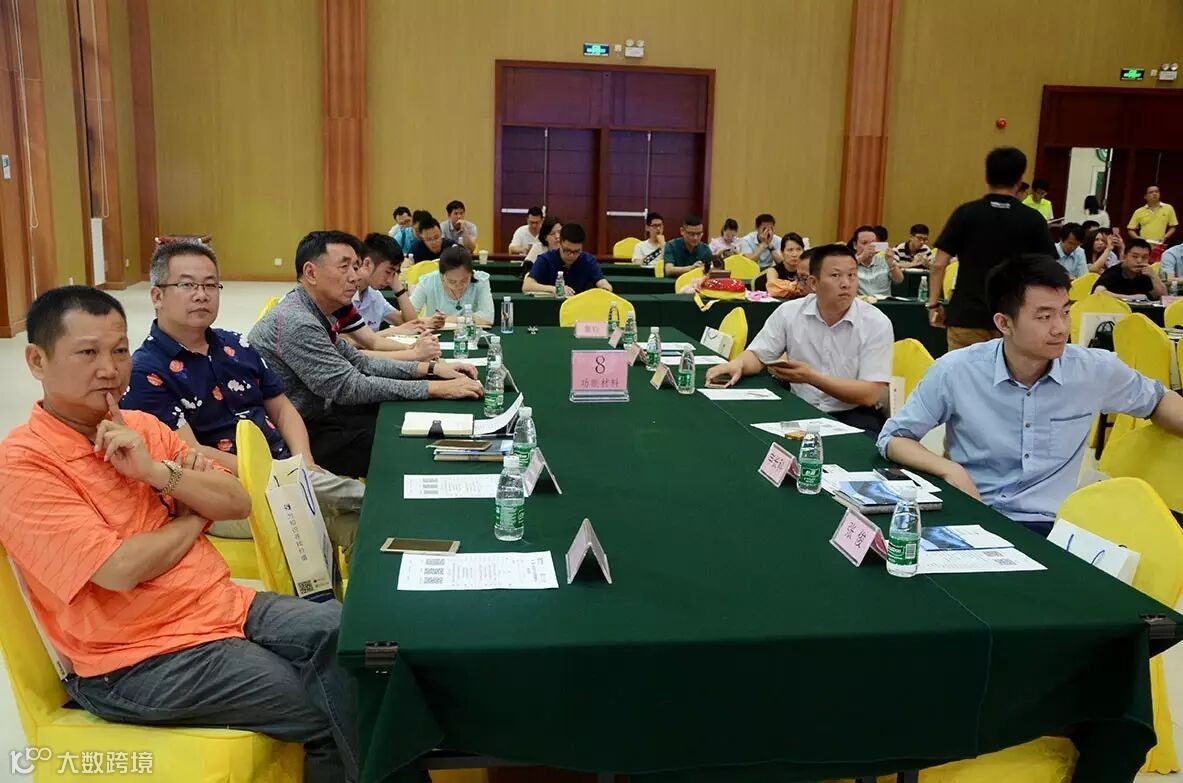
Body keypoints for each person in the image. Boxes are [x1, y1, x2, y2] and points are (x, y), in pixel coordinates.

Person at [0, 286, 358, 782]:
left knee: (354, 639)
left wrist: (155, 473)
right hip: (135, 658)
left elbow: (237, 500)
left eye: (119, 350)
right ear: (37, 361)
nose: (109, 369)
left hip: (220, 607)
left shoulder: (142, 428)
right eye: (87, 353)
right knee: (330, 701)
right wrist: (192, 517)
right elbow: (119, 569)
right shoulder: (24, 466)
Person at [878, 256, 1183, 536]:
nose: (1061, 328)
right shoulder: (957, 371)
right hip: (972, 516)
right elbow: (894, 437)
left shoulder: (1094, 370)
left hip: (1050, 528)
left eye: (1065, 312)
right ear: (1004, 323)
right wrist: (949, 468)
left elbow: (1157, 400)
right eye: (1044, 317)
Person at [121, 241, 365, 555]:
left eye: (210, 285)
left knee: (362, 523)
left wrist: (304, 460)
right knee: (361, 513)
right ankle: (383, 502)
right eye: (187, 285)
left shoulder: (234, 344)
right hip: (223, 495)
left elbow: (282, 408)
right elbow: (190, 451)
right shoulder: (146, 372)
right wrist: (271, 472)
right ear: (157, 296)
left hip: (285, 472)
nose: (201, 295)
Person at [249, 231, 483, 478]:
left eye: (355, 266)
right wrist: (437, 388)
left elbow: (359, 361)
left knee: (402, 415)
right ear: (311, 273)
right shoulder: (297, 321)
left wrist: (431, 370)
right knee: (399, 445)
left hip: (322, 411)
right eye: (344, 267)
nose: (355, 276)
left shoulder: (318, 310)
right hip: (298, 435)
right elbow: (351, 387)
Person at [705, 244, 894, 435]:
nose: (846, 283)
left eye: (852, 275)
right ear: (813, 283)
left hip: (854, 414)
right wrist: (738, 364)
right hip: (799, 408)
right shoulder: (789, 312)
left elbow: (870, 394)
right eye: (836, 275)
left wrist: (811, 377)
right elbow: (759, 354)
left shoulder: (876, 322)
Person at [929, 147, 1056, 351]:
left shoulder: (965, 213)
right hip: (1014, 318)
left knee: (963, 370)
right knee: (1010, 372)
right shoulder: (1033, 219)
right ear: (1020, 180)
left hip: (966, 317)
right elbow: (1049, 270)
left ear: (987, 177)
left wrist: (934, 305)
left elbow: (938, 265)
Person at [352, 233, 432, 334]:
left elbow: (411, 324)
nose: (390, 280)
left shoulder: (374, 296)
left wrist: (399, 290)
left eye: (394, 274)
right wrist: (390, 331)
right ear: (367, 263)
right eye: (388, 272)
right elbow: (344, 340)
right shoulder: (344, 294)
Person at [410, 245, 495, 326]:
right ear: (442, 276)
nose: (459, 286)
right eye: (452, 281)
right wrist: (429, 321)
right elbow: (408, 316)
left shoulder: (480, 280)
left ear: (471, 273)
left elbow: (488, 318)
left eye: (464, 280)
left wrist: (447, 319)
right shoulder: (427, 282)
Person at [522, 223, 612, 295]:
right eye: (567, 250)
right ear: (560, 243)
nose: (572, 255)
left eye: (576, 251)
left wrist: (606, 288)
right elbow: (527, 286)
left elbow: (602, 282)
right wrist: (556, 289)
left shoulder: (588, 260)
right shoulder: (546, 260)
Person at [1092, 238, 1165, 301]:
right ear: (1125, 256)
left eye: (1144, 257)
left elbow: (1163, 297)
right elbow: (1098, 292)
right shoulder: (1114, 272)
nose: (1139, 261)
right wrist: (1132, 298)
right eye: (1135, 256)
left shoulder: (1146, 273)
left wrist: (1154, 276)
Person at [850, 224, 903, 297]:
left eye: (873, 243)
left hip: (883, 302)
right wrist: (862, 257)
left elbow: (899, 280)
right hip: (861, 302)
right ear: (855, 245)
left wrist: (891, 264)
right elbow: (844, 271)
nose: (870, 246)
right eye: (864, 243)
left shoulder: (884, 259)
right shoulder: (849, 262)